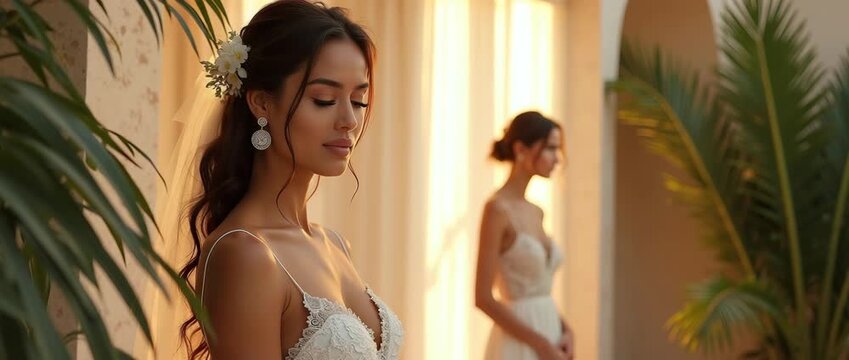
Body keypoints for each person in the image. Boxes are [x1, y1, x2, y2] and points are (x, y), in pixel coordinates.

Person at [173, 1, 403, 358]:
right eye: (324, 100)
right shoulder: (245, 254)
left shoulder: (335, 244)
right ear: (262, 104)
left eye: (358, 101)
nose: (349, 120)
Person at [475, 111, 573, 360]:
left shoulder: (537, 212)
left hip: (551, 334)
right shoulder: (497, 210)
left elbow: (538, 288)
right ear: (521, 149)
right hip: (518, 344)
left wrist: (565, 329)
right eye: (550, 148)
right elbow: (483, 298)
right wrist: (541, 345)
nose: (557, 158)